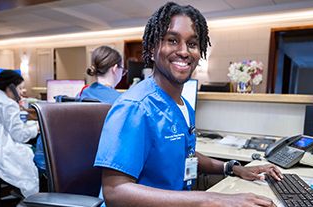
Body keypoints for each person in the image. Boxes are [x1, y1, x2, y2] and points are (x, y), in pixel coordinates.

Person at [94, 2, 283, 207]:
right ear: (150, 49)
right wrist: (210, 199)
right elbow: (115, 191)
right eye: (172, 40)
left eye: (192, 44)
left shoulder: (183, 104)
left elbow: (185, 154)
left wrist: (233, 168)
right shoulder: (135, 107)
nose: (184, 51)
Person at [0, 70, 39, 201]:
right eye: (20, 88)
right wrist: (37, 128)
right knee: (30, 160)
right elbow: (20, 135)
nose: (22, 92)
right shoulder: (7, 103)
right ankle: (32, 199)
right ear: (10, 87)